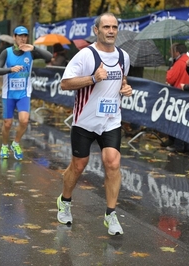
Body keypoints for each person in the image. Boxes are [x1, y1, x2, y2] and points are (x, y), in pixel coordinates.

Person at [56, 12, 133, 236]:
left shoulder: (123, 56)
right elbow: (65, 84)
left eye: (114, 27)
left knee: (113, 163)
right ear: (96, 30)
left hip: (111, 121)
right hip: (85, 121)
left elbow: (123, 79)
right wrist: (92, 78)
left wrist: (125, 88)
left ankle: (111, 214)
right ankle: (65, 200)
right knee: (79, 165)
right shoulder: (85, 56)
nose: (111, 31)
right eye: (106, 27)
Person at [0, 26, 52, 160]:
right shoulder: (6, 52)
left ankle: (16, 143)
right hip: (8, 93)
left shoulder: (31, 52)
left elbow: (49, 57)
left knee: (24, 121)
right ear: (14, 37)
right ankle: (4, 145)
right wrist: (10, 69)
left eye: (25, 36)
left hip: (23, 93)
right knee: (7, 123)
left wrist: (35, 48)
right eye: (20, 36)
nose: (22, 38)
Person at [162, 43, 189, 152]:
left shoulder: (179, 63)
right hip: (187, 93)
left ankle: (178, 145)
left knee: (176, 120)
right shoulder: (188, 61)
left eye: (171, 50)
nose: (170, 52)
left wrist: (170, 70)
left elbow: (170, 78)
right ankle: (186, 146)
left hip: (178, 94)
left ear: (177, 52)